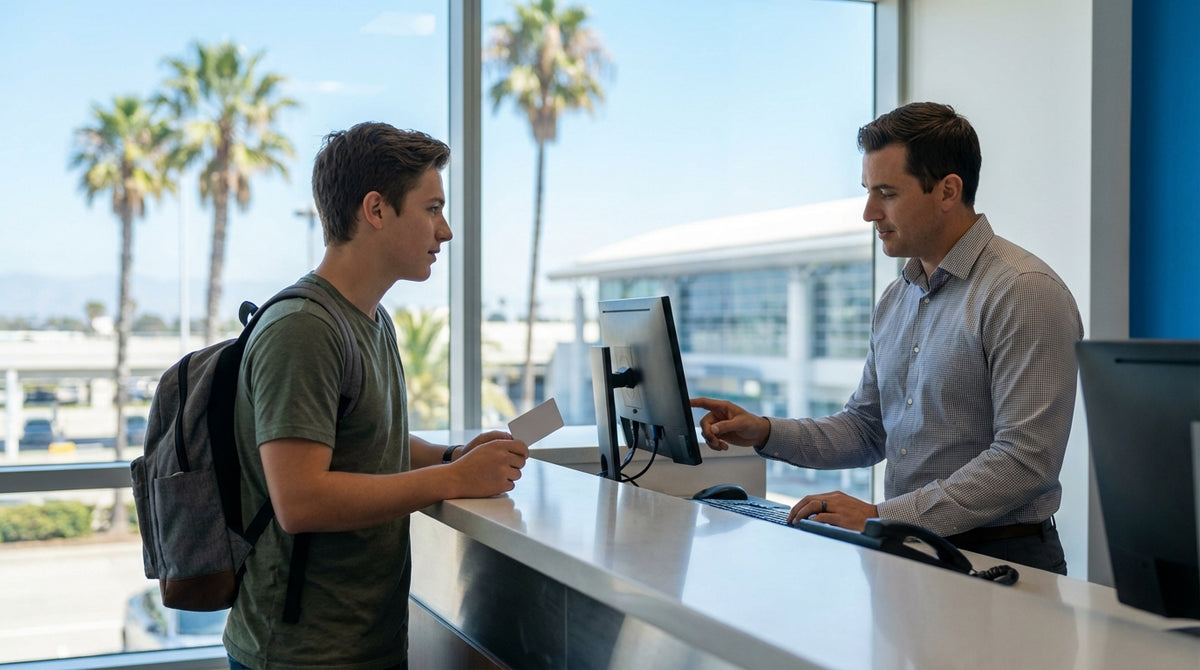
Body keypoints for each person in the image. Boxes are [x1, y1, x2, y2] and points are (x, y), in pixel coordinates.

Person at [691, 102, 1082, 575]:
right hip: (908, 555)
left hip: (999, 560)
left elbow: (1025, 462)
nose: (868, 212)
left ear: (947, 191)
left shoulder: (1023, 291)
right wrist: (766, 431)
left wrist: (881, 517)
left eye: (886, 193)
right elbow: (867, 429)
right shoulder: (897, 297)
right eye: (867, 191)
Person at [223, 122, 530, 669]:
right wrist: (455, 479)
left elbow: (367, 440)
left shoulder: (372, 318)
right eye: (432, 209)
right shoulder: (303, 328)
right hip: (303, 656)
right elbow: (301, 500)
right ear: (376, 209)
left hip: (366, 642)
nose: (447, 231)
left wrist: (452, 456)